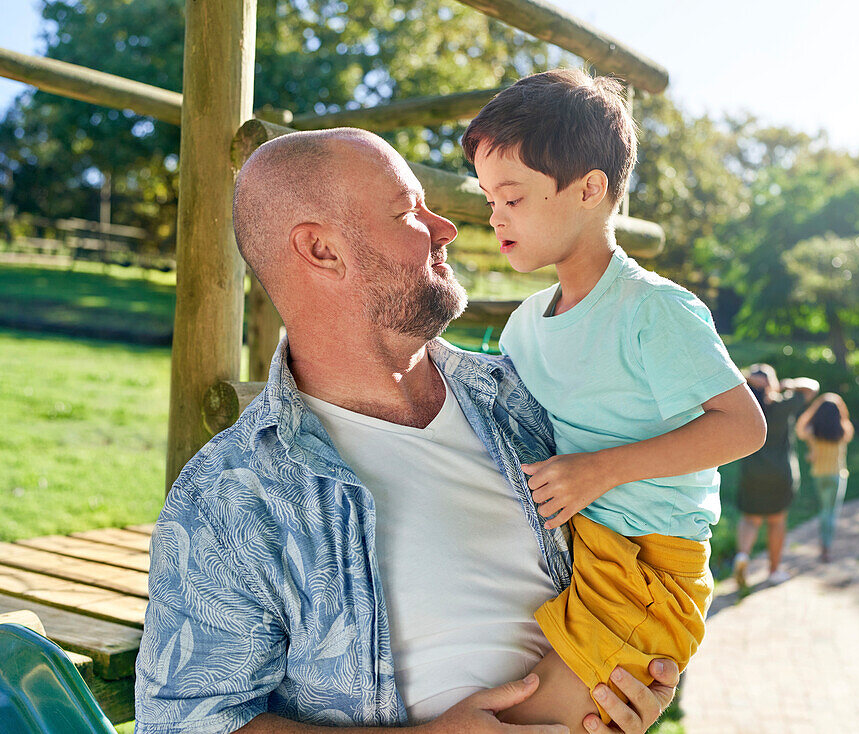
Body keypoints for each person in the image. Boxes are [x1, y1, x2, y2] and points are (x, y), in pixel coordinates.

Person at [134, 127, 680, 734]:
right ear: (321, 250)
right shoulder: (230, 495)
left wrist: (622, 683)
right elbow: (187, 723)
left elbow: (646, 540)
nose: (446, 227)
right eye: (408, 211)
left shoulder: (525, 399)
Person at [463, 69, 767, 733]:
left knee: (519, 722)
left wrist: (601, 471)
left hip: (646, 572)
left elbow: (742, 428)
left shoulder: (651, 309)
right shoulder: (523, 326)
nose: (494, 215)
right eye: (488, 198)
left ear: (589, 190)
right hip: (574, 554)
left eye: (511, 196)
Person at [731, 364, 819, 589]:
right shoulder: (783, 405)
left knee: (750, 519)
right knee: (777, 521)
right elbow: (812, 387)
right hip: (781, 473)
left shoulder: (743, 407)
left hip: (752, 472)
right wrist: (784, 384)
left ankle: (742, 556)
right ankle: (774, 570)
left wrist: (746, 378)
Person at [795, 393, 855, 562]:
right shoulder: (843, 430)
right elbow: (847, 427)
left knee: (824, 510)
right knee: (831, 511)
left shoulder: (813, 431)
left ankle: (824, 545)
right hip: (837, 475)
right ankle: (826, 547)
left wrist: (813, 409)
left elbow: (800, 429)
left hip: (819, 474)